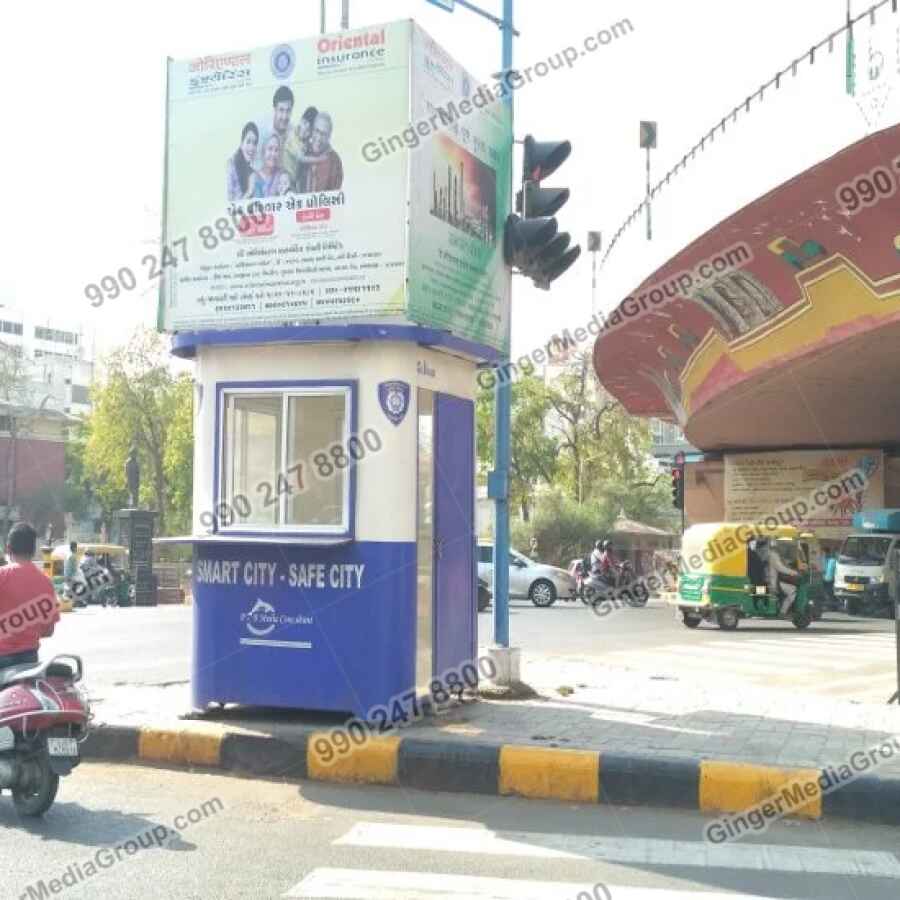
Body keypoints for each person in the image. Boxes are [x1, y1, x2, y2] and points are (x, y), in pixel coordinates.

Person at [0, 523, 60, 670]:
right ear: (33, 551)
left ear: (8, 548)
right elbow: (49, 630)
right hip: (29, 660)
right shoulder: (46, 582)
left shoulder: (2, 576)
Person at [759, 538, 800, 616]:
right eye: (784, 546)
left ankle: (781, 606)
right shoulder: (773, 554)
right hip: (772, 583)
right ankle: (783, 612)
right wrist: (794, 572)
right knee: (793, 591)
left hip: (766, 580)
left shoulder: (764, 553)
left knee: (786, 586)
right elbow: (780, 568)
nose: (784, 549)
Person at [305, 112, 344, 192]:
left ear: (329, 136)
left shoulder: (335, 161)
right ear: (312, 130)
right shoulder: (303, 151)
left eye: (323, 134)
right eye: (317, 131)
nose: (319, 138)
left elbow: (334, 194)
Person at [258, 85, 294, 172]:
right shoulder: (263, 133)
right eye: (281, 110)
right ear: (274, 109)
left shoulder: (294, 133)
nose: (284, 116)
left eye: (288, 111)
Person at [284, 105, 318, 189]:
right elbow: (301, 158)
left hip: (295, 182)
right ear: (301, 120)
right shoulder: (291, 136)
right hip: (284, 181)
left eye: (309, 129)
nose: (304, 130)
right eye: (304, 123)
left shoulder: (307, 142)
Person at [227, 122, 261, 200]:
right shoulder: (231, 166)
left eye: (255, 143)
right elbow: (230, 207)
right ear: (242, 143)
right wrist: (249, 192)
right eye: (248, 142)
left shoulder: (252, 173)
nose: (251, 147)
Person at [254, 133, 288, 198]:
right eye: (270, 149)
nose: (273, 154)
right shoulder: (254, 178)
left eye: (276, 150)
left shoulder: (283, 175)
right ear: (263, 151)